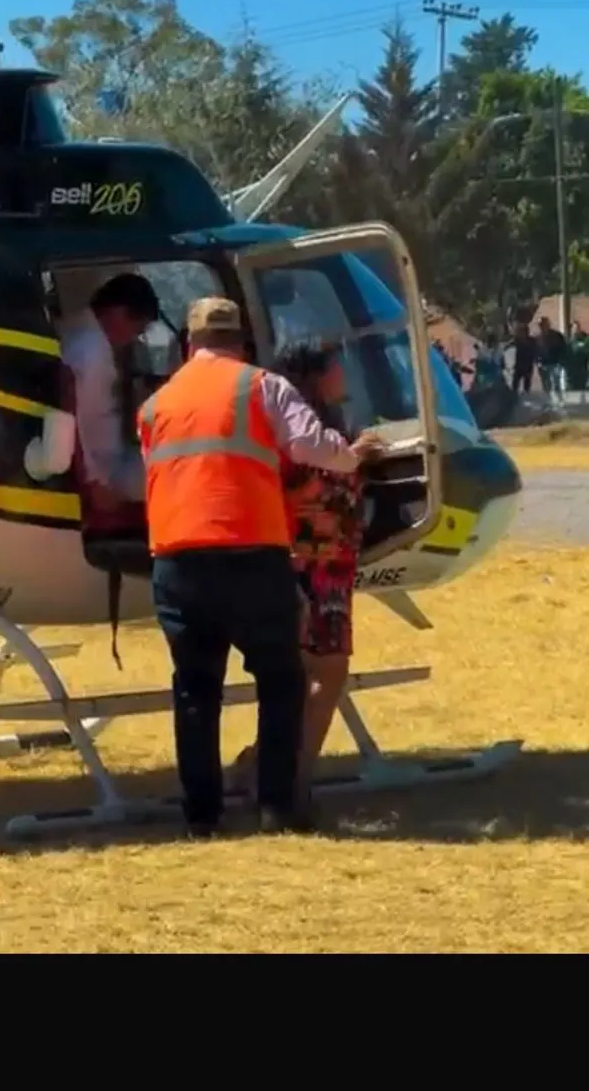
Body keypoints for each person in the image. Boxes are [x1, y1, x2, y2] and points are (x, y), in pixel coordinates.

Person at [137, 295, 385, 839]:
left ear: (189, 344)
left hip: (176, 559)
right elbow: (310, 444)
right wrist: (352, 455)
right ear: (242, 342)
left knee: (195, 688)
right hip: (250, 553)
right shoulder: (262, 386)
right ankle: (276, 805)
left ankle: (202, 817)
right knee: (280, 679)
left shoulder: (155, 405)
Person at [231, 340, 378, 803]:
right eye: (335, 367)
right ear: (314, 375)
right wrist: (356, 456)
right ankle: (291, 781)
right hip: (312, 565)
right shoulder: (302, 433)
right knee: (325, 673)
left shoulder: (306, 426)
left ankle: (263, 765)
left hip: (319, 562)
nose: (343, 375)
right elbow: (316, 484)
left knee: (304, 676)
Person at [59, 272, 160, 500]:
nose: (133, 338)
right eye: (136, 330)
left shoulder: (82, 337)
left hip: (109, 461)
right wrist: (94, 482)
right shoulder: (91, 353)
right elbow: (77, 420)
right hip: (103, 472)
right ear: (118, 312)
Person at [535, 316, 568, 406]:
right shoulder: (537, 337)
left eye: (543, 324)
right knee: (546, 385)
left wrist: (561, 361)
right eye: (540, 325)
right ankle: (548, 402)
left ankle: (560, 401)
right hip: (543, 365)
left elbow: (563, 348)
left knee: (556, 383)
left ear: (548, 324)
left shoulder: (557, 335)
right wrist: (537, 362)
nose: (542, 326)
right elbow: (534, 351)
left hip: (555, 363)